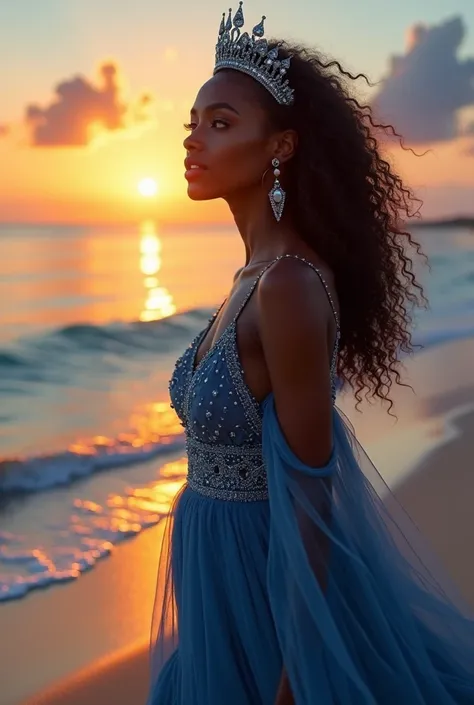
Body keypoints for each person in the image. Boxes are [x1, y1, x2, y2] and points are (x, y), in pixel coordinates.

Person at [147, 4, 474, 704]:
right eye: (193, 124)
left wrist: (298, 670)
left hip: (263, 590)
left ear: (281, 147)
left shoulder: (288, 286)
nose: (194, 140)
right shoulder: (251, 276)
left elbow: (310, 492)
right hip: (217, 580)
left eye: (222, 122)